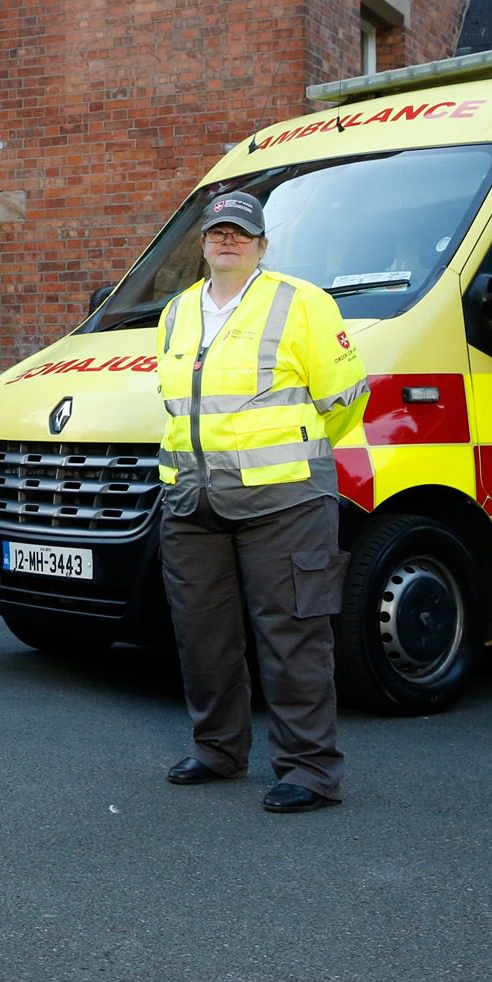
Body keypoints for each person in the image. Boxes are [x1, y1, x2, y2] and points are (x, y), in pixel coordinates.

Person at [155, 190, 368, 812]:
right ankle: (219, 750)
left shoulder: (303, 303)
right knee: (202, 635)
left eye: (241, 234)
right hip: (193, 502)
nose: (228, 241)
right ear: (202, 244)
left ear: (262, 246)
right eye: (218, 232)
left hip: (284, 502)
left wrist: (291, 458)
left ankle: (309, 769)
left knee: (293, 633)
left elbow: (346, 398)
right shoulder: (177, 312)